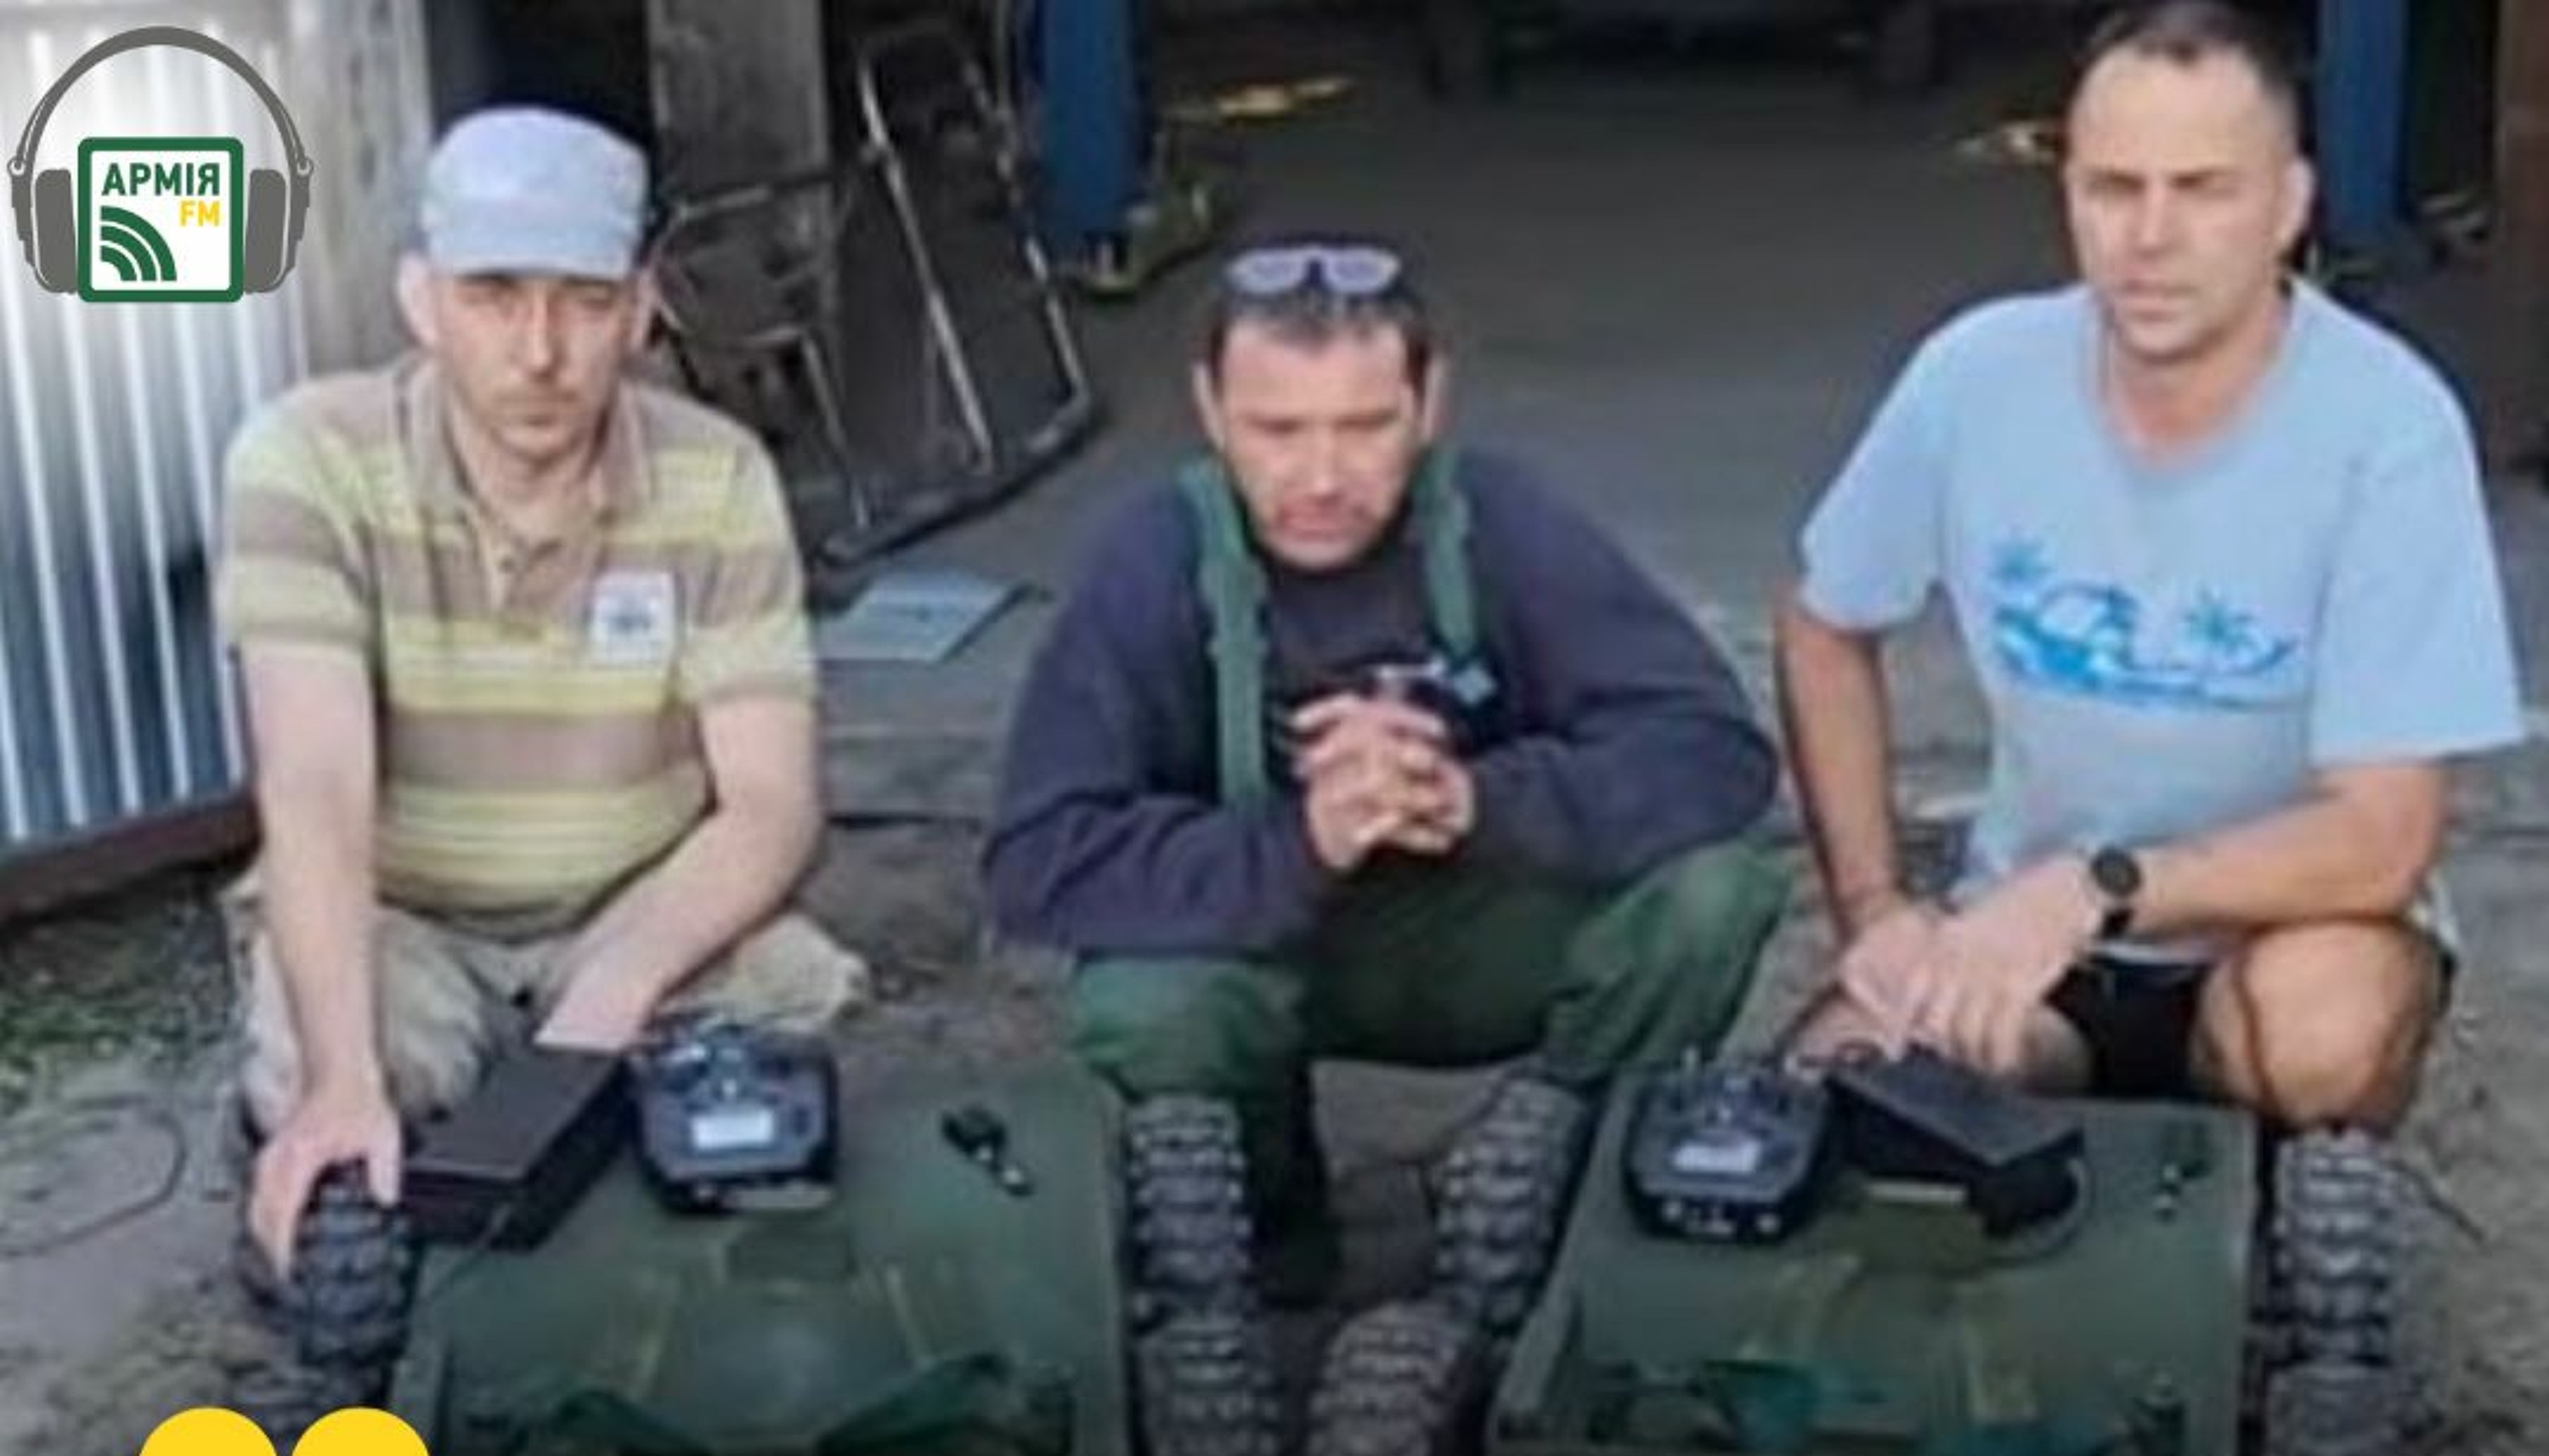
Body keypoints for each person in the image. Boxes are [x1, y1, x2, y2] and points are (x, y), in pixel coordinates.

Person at [1782, 0, 2522, 1126]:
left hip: (2283, 935)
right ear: (2068, 196)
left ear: (2289, 206)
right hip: (2028, 938)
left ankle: (2284, 1185)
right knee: (1845, 1082)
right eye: (2114, 188)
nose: (2151, 237)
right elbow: (1825, 624)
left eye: (2204, 189)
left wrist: (2103, 889)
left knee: (2321, 1032)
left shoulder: (2389, 426)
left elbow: (2383, 837)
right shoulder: (1975, 377)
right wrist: (1875, 908)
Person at [983, 242, 1783, 1265]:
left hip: (1478, 928)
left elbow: (1714, 752)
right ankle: (1264, 1226)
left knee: (1714, 895)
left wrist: (1472, 799)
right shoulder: (1151, 560)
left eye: (1366, 428)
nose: (1322, 478)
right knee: (1146, 1010)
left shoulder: (1500, 521)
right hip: (1261, 947)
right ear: (1211, 412)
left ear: (1429, 402)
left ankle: (1556, 1191)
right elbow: (1038, 858)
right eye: (1278, 431)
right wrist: (1303, 841)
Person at [218, 106, 865, 1273]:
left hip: (629, 904)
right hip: (407, 917)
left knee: (788, 1001)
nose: (540, 352)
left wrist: (612, 993)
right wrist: (341, 1080)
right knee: (326, 1067)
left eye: (585, 301)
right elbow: (313, 784)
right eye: (494, 295)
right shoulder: (305, 462)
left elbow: (773, 803)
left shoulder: (718, 478)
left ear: (643, 310)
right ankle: (321, 1141)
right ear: (421, 302)